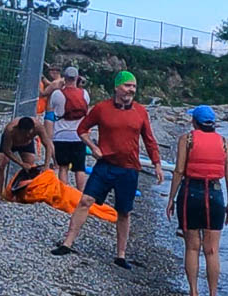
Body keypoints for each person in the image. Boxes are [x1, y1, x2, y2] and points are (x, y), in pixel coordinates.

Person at [52, 71, 163, 268]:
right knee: (85, 200)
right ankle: (67, 243)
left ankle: (120, 255)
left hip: (129, 169)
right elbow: (82, 129)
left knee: (124, 212)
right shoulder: (102, 109)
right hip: (105, 166)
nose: (131, 90)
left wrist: (157, 164)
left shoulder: (140, 111)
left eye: (134, 87)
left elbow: (149, 139)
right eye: (127, 85)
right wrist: (93, 148)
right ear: (117, 87)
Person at [167, 105, 228, 296]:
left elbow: (179, 171)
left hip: (191, 193)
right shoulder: (224, 142)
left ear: (194, 122)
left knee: (192, 247)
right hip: (215, 194)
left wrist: (171, 198)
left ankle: (194, 294)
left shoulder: (186, 140)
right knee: (212, 250)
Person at [47, 66, 92, 190]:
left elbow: (52, 111)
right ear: (77, 78)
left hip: (61, 135)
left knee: (63, 167)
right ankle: (80, 193)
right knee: (80, 168)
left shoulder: (57, 94)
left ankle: (64, 192)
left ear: (64, 78)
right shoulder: (84, 94)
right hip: (79, 136)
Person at [0, 116, 55, 200]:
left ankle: (25, 194)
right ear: (18, 129)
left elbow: (47, 145)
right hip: (11, 144)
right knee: (0, 165)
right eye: (23, 133)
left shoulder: (38, 127)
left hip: (27, 145)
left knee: (30, 167)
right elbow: (6, 150)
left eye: (29, 133)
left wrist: (46, 164)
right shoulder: (10, 130)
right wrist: (21, 164)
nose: (27, 135)